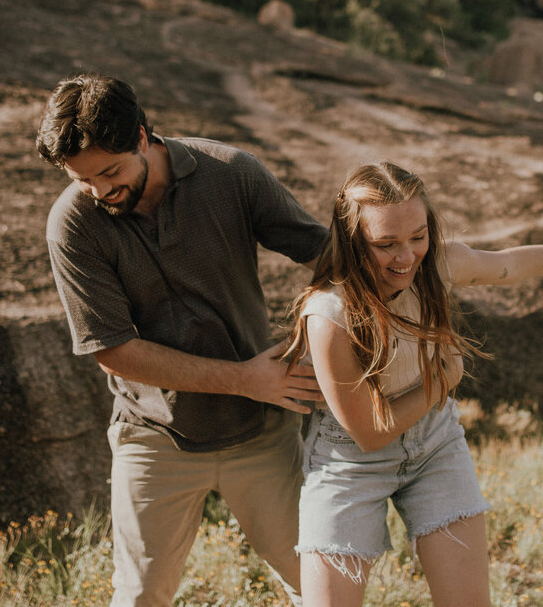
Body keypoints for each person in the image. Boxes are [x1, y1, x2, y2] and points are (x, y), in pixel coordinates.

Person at [36, 72, 329, 607]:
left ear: (143, 135)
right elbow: (114, 351)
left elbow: (325, 256)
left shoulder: (232, 173)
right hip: (153, 438)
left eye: (110, 171)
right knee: (140, 597)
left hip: (260, 432)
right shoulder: (72, 224)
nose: (100, 191)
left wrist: (408, 267)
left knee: (318, 585)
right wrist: (246, 380)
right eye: (82, 180)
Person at [284, 162, 543, 607]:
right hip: (349, 464)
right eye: (385, 244)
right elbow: (369, 432)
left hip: (435, 445)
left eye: (417, 237)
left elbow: (507, 265)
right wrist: (442, 379)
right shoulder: (329, 313)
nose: (406, 257)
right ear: (352, 242)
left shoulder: (438, 266)